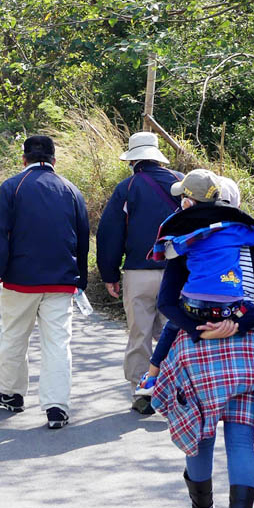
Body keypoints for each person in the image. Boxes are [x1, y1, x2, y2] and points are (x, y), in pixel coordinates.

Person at [152, 179, 254, 508]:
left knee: (201, 436)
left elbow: (167, 303)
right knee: (241, 444)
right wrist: (239, 324)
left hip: (198, 354)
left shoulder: (189, 243)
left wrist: (202, 328)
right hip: (247, 355)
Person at [136, 173, 254, 411]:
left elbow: (166, 301)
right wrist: (238, 324)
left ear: (188, 203)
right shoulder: (244, 238)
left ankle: (152, 376)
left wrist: (198, 331)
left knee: (171, 325)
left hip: (194, 316)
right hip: (238, 322)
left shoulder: (186, 237)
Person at [0, 135, 90, 429]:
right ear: (54, 160)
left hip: (20, 280)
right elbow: (82, 241)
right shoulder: (71, 190)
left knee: (14, 335)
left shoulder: (12, 187)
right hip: (61, 281)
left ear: (24, 160)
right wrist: (81, 280)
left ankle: (11, 393)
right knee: (57, 343)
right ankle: (56, 406)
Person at [96, 131, 182, 413]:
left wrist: (109, 274)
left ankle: (141, 393)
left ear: (133, 160)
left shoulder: (128, 187)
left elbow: (110, 233)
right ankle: (177, 390)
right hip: (179, 273)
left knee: (139, 334)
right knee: (176, 333)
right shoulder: (181, 184)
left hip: (138, 271)